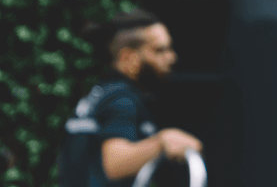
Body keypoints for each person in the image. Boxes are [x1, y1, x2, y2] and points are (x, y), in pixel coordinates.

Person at [60, 10, 202, 187]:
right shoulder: (123, 100)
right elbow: (114, 165)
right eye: (159, 50)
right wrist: (163, 141)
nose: (172, 57)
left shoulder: (102, 94)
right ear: (128, 57)